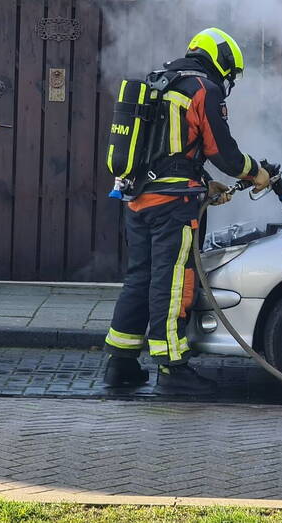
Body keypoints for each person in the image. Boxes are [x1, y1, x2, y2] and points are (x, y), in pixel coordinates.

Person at [103, 28, 270, 394]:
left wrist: (205, 185)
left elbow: (168, 150)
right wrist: (256, 173)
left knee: (140, 277)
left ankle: (120, 363)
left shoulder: (161, 82)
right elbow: (223, 152)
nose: (228, 81)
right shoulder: (202, 90)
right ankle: (172, 368)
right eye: (230, 73)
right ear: (222, 61)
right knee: (173, 280)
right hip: (173, 208)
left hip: (140, 198)